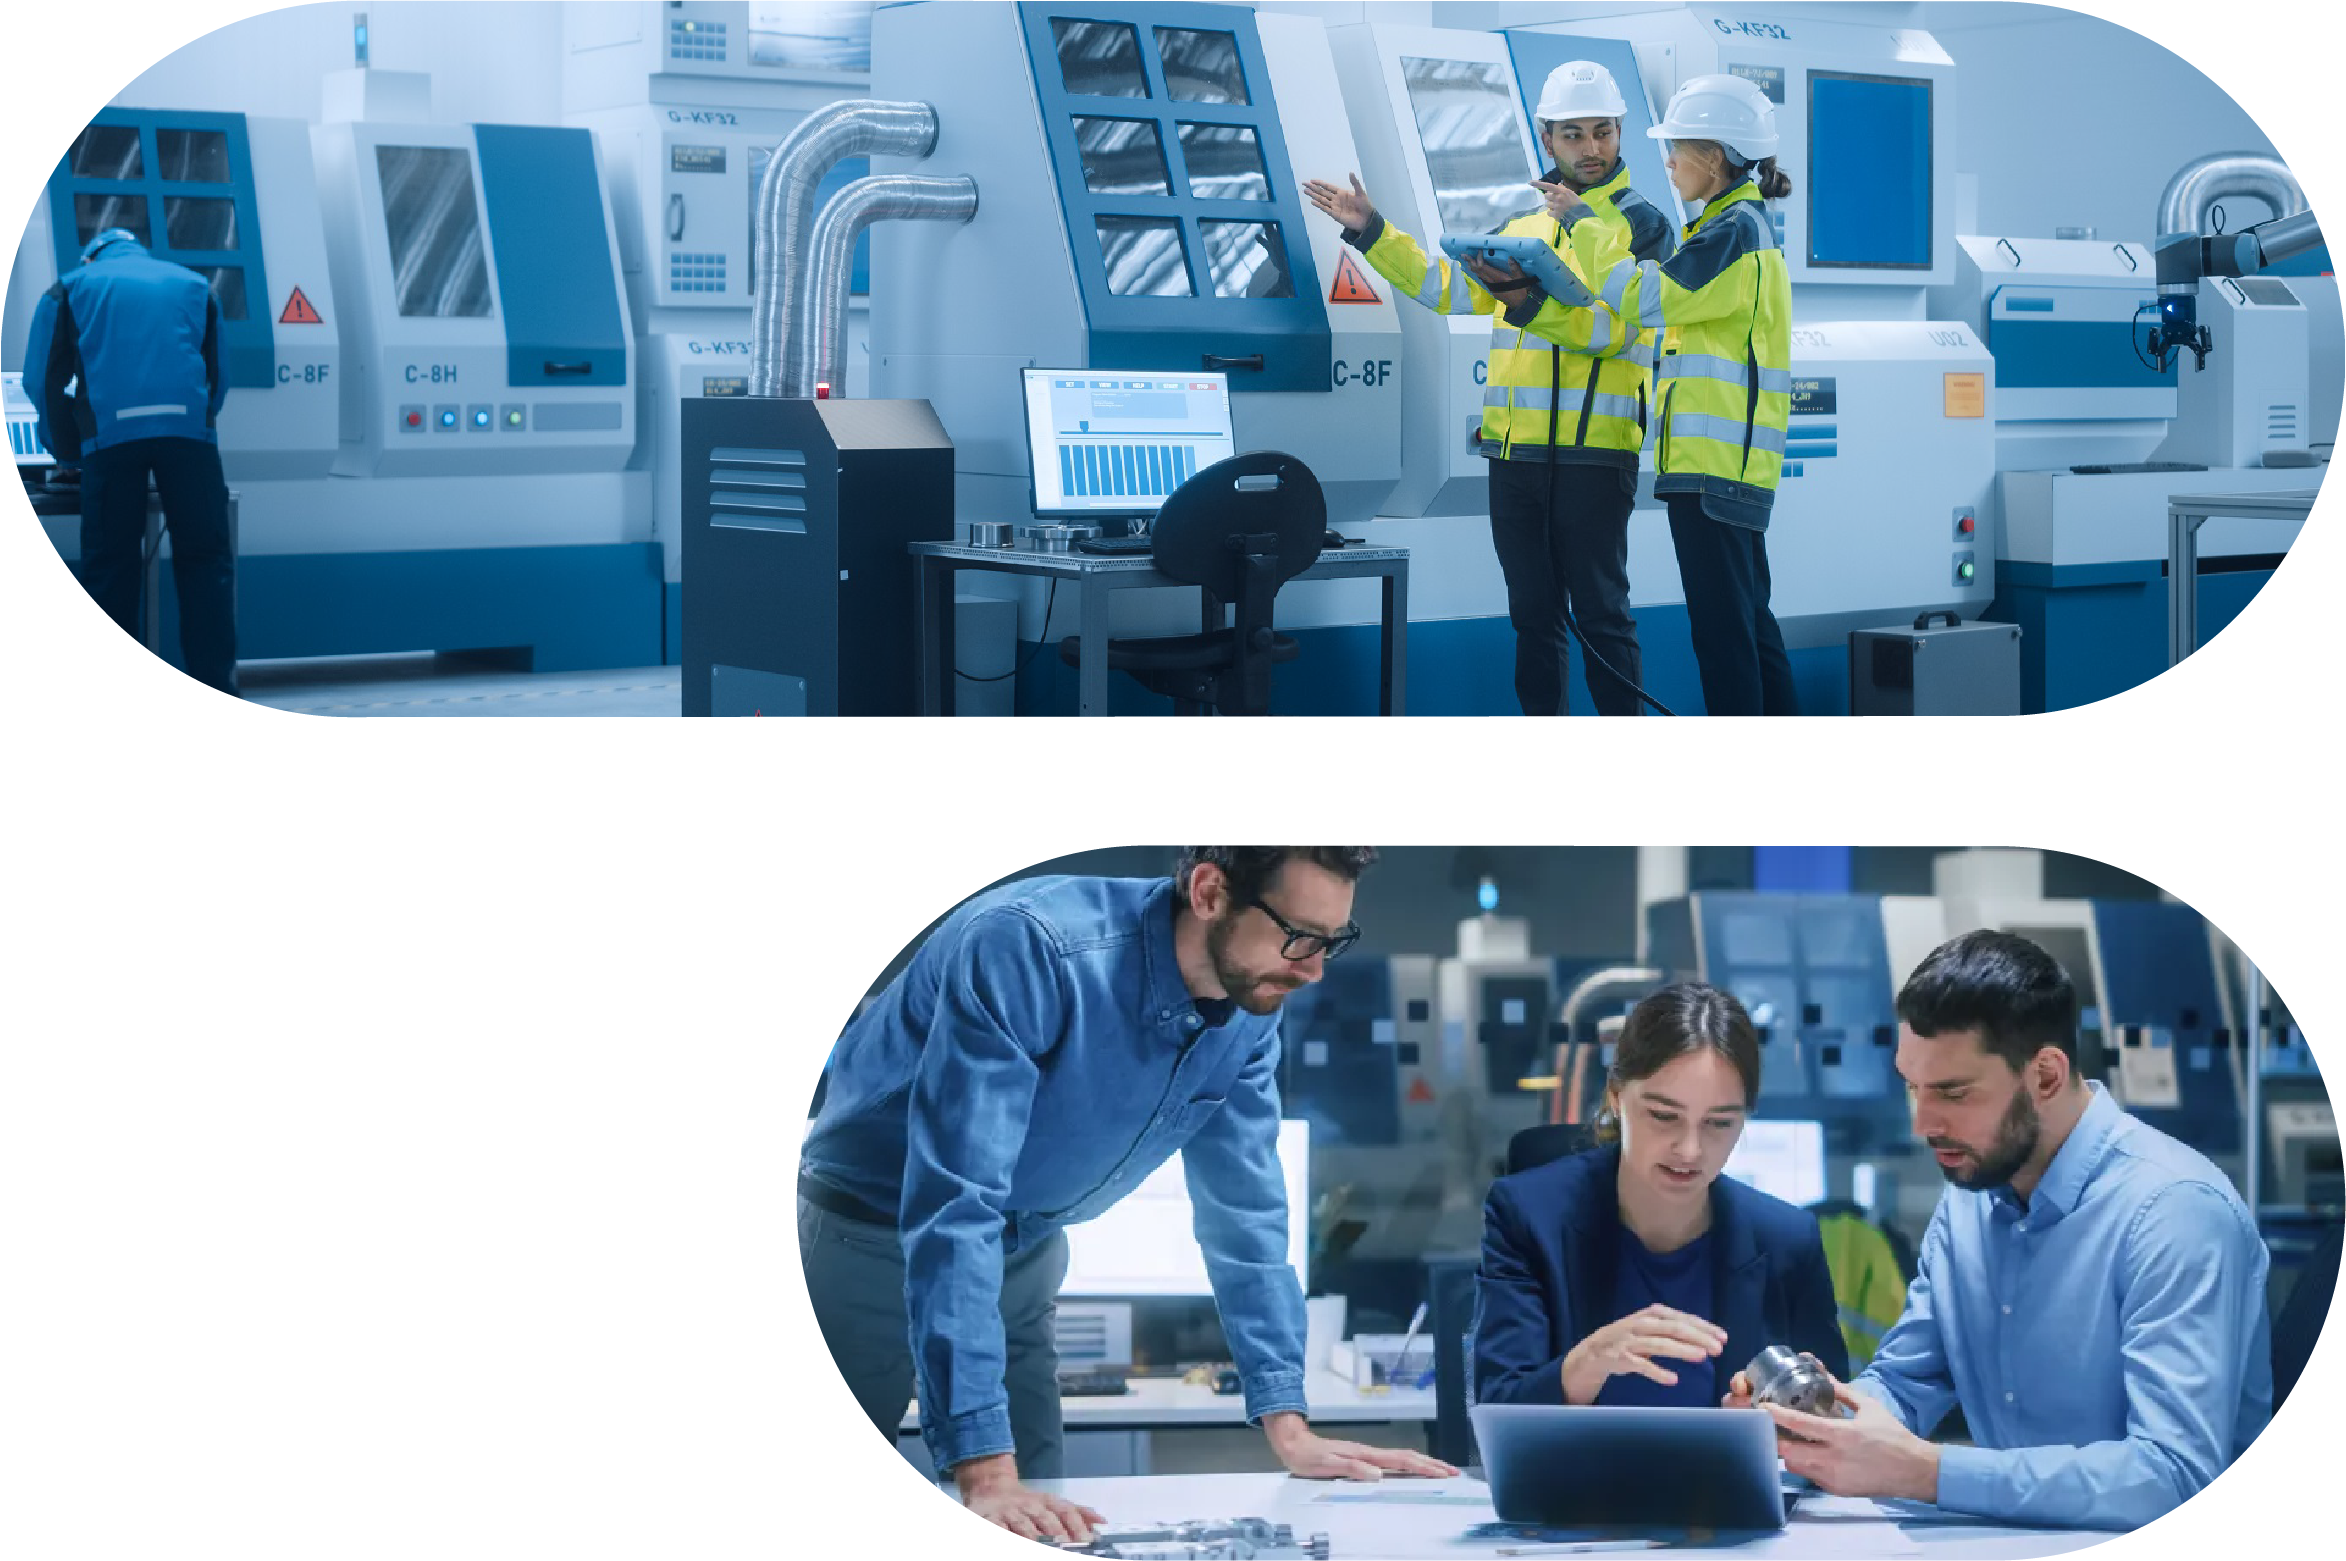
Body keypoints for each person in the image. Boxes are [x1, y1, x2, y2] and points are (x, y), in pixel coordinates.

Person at [797, 847, 1456, 1544]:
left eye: (1332, 942)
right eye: (1300, 936)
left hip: (1028, 1243)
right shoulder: (1030, 948)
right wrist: (982, 1472)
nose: (1314, 968)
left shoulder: (1252, 1001)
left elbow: (1247, 1212)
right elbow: (954, 1202)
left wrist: (1287, 1422)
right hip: (865, 1230)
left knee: (1045, 1516)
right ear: (1208, 891)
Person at [1724, 930, 2274, 1530]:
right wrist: (1816, 1421)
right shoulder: (1969, 1203)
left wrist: (1926, 1473)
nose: (1923, 1122)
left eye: (1953, 1093)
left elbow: (2175, 1481)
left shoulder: (2173, 1213)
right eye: (1913, 1086)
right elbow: (1907, 1385)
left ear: (2044, 1075)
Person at [1303, 59, 1672, 718]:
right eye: (1574, 134)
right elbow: (1445, 290)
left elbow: (1626, 334)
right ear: (1547, 139)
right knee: (1533, 620)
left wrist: (1530, 305)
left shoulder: (1642, 227)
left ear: (1620, 134)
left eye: (1603, 132)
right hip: (1515, 456)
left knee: (1603, 617)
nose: (1591, 149)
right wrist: (1373, 232)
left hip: (1595, 455)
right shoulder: (1520, 228)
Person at [1533, 74, 1797, 717]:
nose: (1670, 162)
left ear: (1715, 155)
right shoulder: (1732, 226)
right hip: (1723, 469)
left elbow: (1643, 298)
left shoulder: (1731, 232)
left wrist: (1584, 223)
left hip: (1715, 471)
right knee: (1750, 627)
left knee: (1725, 636)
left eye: (1679, 148)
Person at [1473, 982, 1846, 1410]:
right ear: (1616, 1098)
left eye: (1719, 1123)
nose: (1690, 1150)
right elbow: (1499, 1410)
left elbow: (1833, 1423)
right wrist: (1590, 1360)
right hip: (1576, 1476)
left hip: (1726, 1477)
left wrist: (1770, 1430)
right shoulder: (1527, 1216)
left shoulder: (1788, 1240)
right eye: (1664, 1116)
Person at [22, 228, 242, 728]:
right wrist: (195, 423)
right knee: (206, 563)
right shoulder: (193, 285)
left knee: (110, 570)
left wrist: (68, 452)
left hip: (111, 443)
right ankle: (212, 703)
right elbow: (218, 377)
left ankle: (107, 704)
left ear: (93, 254)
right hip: (189, 440)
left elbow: (41, 381)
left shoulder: (71, 287)